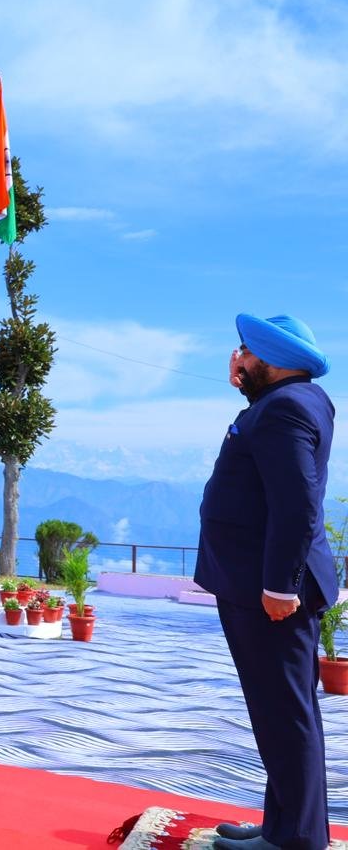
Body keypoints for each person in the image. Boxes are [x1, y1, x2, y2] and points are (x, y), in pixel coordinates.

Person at [196, 314, 336, 850]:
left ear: (271, 359)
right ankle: (288, 826)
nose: (239, 359)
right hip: (260, 585)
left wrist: (280, 586)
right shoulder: (287, 402)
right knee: (285, 712)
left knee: (284, 715)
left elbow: (296, 504)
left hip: (268, 592)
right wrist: (249, 385)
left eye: (246, 352)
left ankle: (295, 839)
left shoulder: (283, 410)